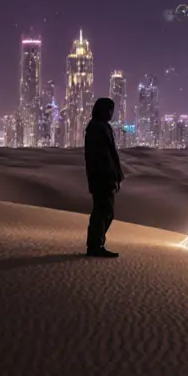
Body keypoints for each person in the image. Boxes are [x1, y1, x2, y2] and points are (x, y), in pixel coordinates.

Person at [84, 97, 124, 257]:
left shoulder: (103, 127)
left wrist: (117, 176)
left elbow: (111, 156)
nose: (111, 114)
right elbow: (99, 157)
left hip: (107, 178)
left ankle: (97, 244)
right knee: (102, 212)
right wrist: (110, 177)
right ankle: (95, 246)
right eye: (109, 110)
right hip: (101, 178)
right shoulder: (96, 128)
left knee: (105, 212)